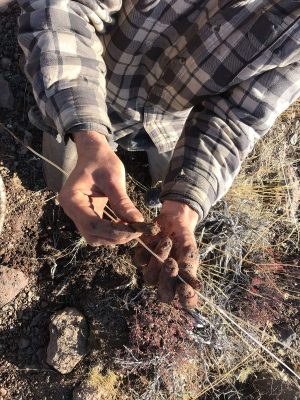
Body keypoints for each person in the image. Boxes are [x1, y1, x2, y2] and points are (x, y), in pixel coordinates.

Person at [17, 0, 300, 307]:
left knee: (170, 184)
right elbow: (61, 7)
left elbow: (236, 117)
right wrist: (88, 137)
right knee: (59, 181)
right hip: (85, 87)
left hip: (173, 126)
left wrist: (184, 206)